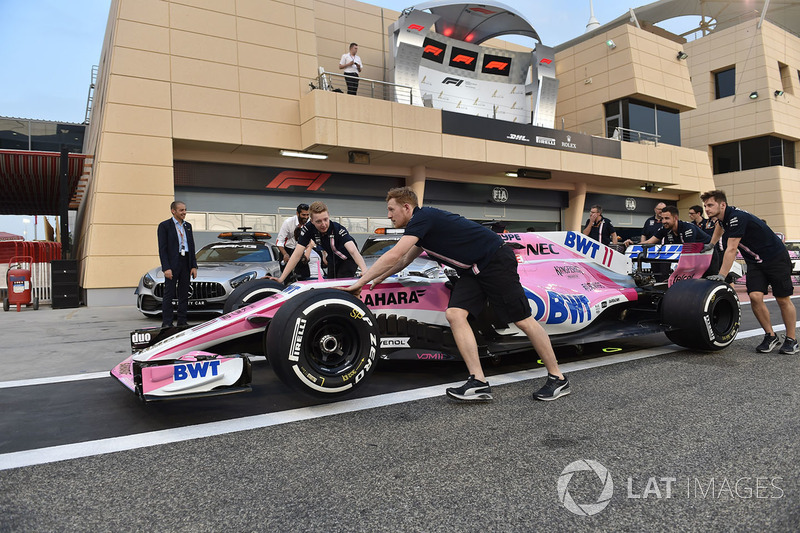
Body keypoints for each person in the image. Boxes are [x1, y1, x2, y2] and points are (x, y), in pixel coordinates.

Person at [342, 186, 569, 402]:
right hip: (473, 270)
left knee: (524, 320)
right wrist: (379, 278)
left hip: (495, 260)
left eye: (392, 210)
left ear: (407, 208)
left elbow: (395, 254)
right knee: (455, 314)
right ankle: (478, 382)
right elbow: (403, 260)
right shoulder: (423, 227)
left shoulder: (424, 217)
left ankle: (558, 378)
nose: (389, 215)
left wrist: (361, 281)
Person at [701, 190, 797, 354]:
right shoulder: (723, 219)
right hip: (755, 262)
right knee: (754, 296)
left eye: (710, 205)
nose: (707, 209)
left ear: (722, 205)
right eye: (705, 206)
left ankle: (791, 339)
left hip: (775, 258)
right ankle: (770, 336)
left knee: (782, 299)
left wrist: (722, 275)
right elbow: (719, 226)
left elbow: (731, 249)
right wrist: (711, 243)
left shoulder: (737, 218)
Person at [271, 201, 367, 283]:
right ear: (311, 220)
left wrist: (364, 271)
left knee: (340, 284)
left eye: (325, 219)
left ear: (328, 216)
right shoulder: (307, 229)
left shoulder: (337, 229)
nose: (323, 224)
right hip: (333, 259)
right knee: (330, 286)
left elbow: (353, 251)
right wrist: (281, 279)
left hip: (348, 259)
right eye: (318, 221)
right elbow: (297, 254)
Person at [157, 201, 197, 328]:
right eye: (181, 210)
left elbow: (191, 245)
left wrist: (193, 266)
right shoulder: (164, 226)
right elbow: (162, 249)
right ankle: (167, 322)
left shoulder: (188, 226)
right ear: (173, 211)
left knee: (184, 293)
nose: (184, 212)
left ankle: (182, 321)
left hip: (186, 262)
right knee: (169, 293)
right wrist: (166, 268)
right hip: (172, 263)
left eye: (185, 210)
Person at [635, 205, 710, 246]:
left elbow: (689, 250)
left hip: (708, 252)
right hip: (695, 255)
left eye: (667, 218)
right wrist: (633, 244)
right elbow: (649, 242)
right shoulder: (665, 228)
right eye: (662, 218)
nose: (664, 221)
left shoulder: (688, 228)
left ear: (675, 218)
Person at [276, 203, 311, 280]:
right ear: (297, 213)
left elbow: (311, 242)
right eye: (303, 215)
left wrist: (306, 253)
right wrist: (285, 254)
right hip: (287, 250)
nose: (306, 217)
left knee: (305, 276)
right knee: (288, 277)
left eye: (307, 215)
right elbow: (279, 242)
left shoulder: (310, 223)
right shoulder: (288, 222)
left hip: (301, 250)